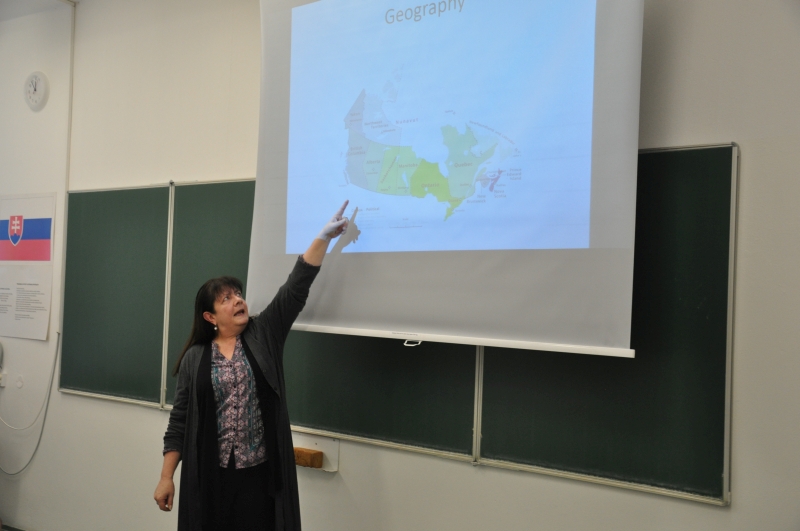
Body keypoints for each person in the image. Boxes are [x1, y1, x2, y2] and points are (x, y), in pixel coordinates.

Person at [154, 201, 349, 531]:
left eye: (238, 294)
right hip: (211, 477)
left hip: (260, 477)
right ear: (210, 317)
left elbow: (295, 288)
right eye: (226, 299)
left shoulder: (265, 333)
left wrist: (323, 237)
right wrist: (165, 477)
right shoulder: (194, 358)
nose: (238, 300)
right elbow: (180, 422)